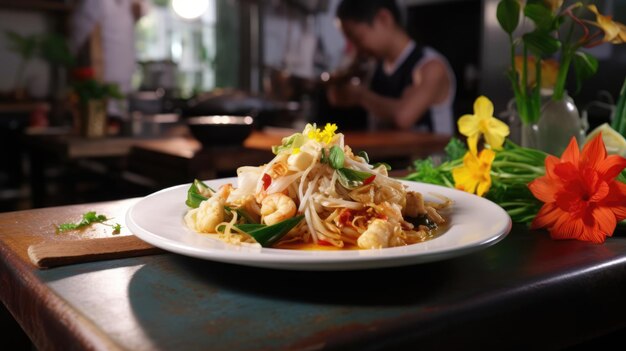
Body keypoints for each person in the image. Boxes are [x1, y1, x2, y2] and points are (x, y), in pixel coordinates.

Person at [327, 0, 455, 135]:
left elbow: (403, 117)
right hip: (386, 154)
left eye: (359, 39)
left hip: (429, 155)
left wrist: (360, 96)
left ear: (384, 19)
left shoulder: (430, 66)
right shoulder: (373, 66)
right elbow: (337, 98)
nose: (357, 48)